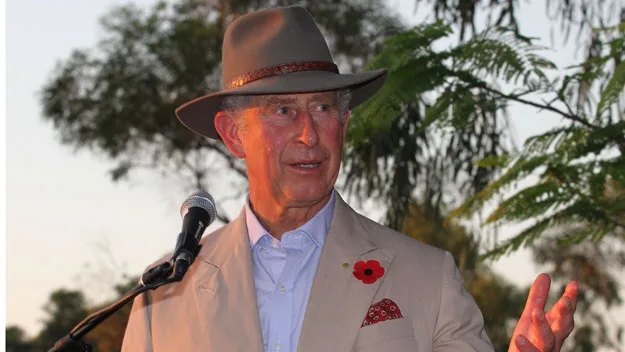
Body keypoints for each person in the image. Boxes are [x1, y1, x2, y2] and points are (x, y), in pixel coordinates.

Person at [122, 6, 578, 352]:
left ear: (344, 122)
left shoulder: (428, 279)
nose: (309, 133)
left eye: (323, 108)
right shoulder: (162, 299)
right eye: (283, 111)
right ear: (232, 134)